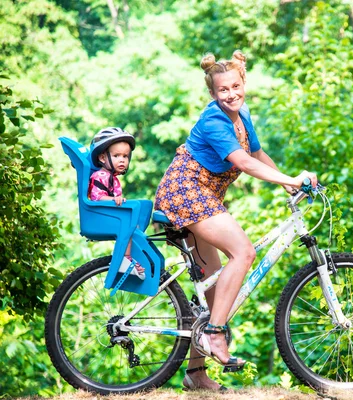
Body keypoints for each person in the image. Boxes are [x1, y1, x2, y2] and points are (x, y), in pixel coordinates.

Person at [154, 50, 317, 391]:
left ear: (244, 84)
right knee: (243, 253)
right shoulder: (214, 120)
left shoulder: (242, 115)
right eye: (222, 90)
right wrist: (291, 178)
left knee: (214, 290)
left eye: (235, 87)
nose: (230, 94)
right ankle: (215, 334)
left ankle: (196, 374)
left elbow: (257, 154)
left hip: (203, 196)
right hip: (186, 193)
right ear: (212, 94)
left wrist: (290, 182)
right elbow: (243, 163)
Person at [89, 127, 146, 280]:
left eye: (125, 156)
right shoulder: (100, 175)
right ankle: (124, 258)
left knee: (138, 215)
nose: (122, 160)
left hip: (108, 214)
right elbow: (97, 197)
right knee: (128, 224)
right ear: (102, 158)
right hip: (99, 215)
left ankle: (131, 256)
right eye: (116, 155)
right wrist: (113, 200)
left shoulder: (113, 178)